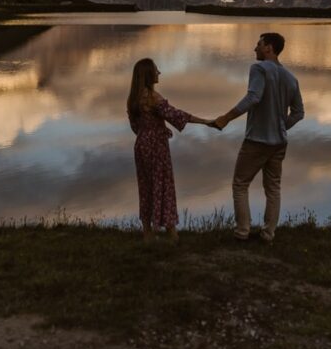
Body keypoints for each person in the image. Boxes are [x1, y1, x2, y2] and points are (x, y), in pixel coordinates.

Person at [213, 32, 304, 243]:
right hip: (279, 143)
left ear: (269, 48)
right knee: (273, 188)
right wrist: (281, 126)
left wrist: (226, 118)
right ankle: (268, 234)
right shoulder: (291, 78)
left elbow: (253, 97)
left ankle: (242, 232)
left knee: (240, 184)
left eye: (258, 45)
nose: (255, 48)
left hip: (257, 141)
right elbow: (299, 113)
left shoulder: (259, 68)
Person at [127, 57, 214, 241]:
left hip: (141, 145)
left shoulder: (133, 98)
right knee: (163, 186)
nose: (159, 73)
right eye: (156, 70)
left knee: (146, 187)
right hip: (157, 146)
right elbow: (177, 116)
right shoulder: (152, 97)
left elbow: (135, 127)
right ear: (149, 74)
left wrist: (147, 134)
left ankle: (148, 233)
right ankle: (171, 233)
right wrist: (206, 122)